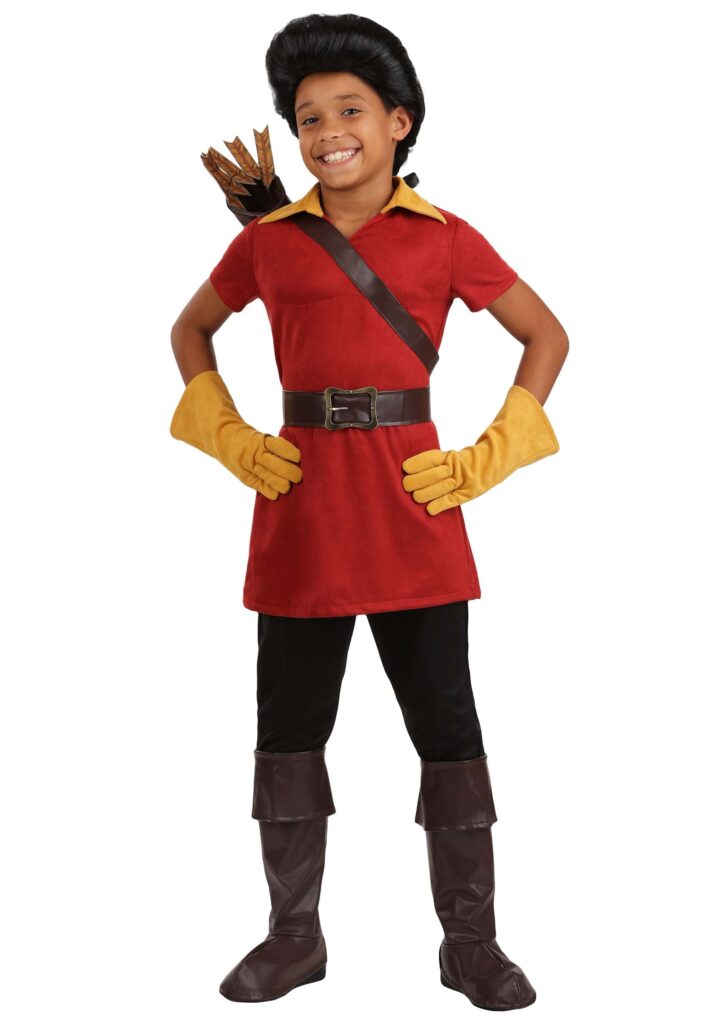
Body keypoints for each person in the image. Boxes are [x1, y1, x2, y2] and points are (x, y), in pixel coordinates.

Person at [169, 12, 568, 1012]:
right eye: (307, 117)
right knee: (288, 730)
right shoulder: (267, 242)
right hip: (300, 508)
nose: (327, 130)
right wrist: (227, 434)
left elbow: (547, 335)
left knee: (448, 727)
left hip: (411, 506)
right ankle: (293, 937)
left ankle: (469, 944)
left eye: (351, 110)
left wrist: (488, 456)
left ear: (400, 121)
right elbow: (190, 330)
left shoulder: (447, 239)